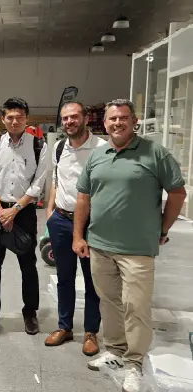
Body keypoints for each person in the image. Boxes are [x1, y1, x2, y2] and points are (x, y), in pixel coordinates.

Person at [73, 99, 186, 392]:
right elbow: (83, 197)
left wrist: (163, 228)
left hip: (137, 248)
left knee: (136, 306)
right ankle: (115, 350)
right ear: (104, 123)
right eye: (112, 119)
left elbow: (177, 192)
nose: (117, 123)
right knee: (109, 302)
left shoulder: (155, 153)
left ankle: (134, 363)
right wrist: (78, 236)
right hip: (100, 245)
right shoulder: (98, 155)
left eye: (123, 118)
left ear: (134, 121)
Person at [0, 97, 48, 335]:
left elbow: (38, 183)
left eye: (20, 117)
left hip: (24, 212)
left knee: (28, 265)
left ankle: (30, 313)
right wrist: (1, 211)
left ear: (26, 119)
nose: (15, 121)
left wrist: (15, 210)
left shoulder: (39, 146)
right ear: (3, 119)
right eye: (10, 117)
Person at [44, 102, 105, 355]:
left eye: (74, 117)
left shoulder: (102, 148)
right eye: (65, 118)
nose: (69, 122)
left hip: (91, 223)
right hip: (60, 220)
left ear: (86, 118)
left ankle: (91, 331)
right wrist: (50, 213)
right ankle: (64, 326)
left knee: (92, 279)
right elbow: (56, 181)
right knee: (64, 277)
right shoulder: (59, 147)